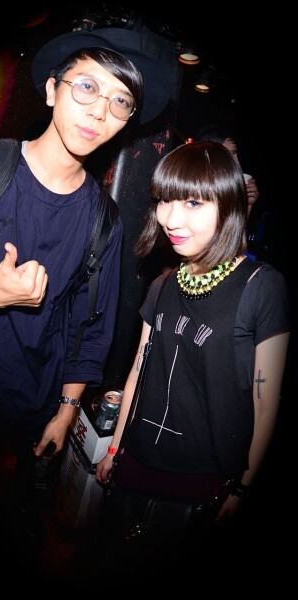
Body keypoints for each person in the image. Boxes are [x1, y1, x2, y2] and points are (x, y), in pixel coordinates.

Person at [0, 26, 172, 563]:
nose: (99, 110)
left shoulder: (104, 220)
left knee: (18, 512)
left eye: (120, 101)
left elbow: (91, 325)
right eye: (87, 87)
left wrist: (66, 409)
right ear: (53, 89)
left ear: (127, 121)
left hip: (34, 399)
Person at [96, 141, 290, 575]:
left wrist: (243, 488)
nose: (171, 218)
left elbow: (266, 404)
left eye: (193, 203)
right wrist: (114, 448)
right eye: (164, 200)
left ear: (229, 205)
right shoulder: (162, 285)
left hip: (201, 481)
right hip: (135, 463)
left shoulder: (261, 287)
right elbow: (137, 372)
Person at [194, 124, 259, 216]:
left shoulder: (223, 190)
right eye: (230, 154)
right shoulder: (190, 187)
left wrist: (247, 203)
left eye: (235, 155)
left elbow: (233, 225)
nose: (237, 163)